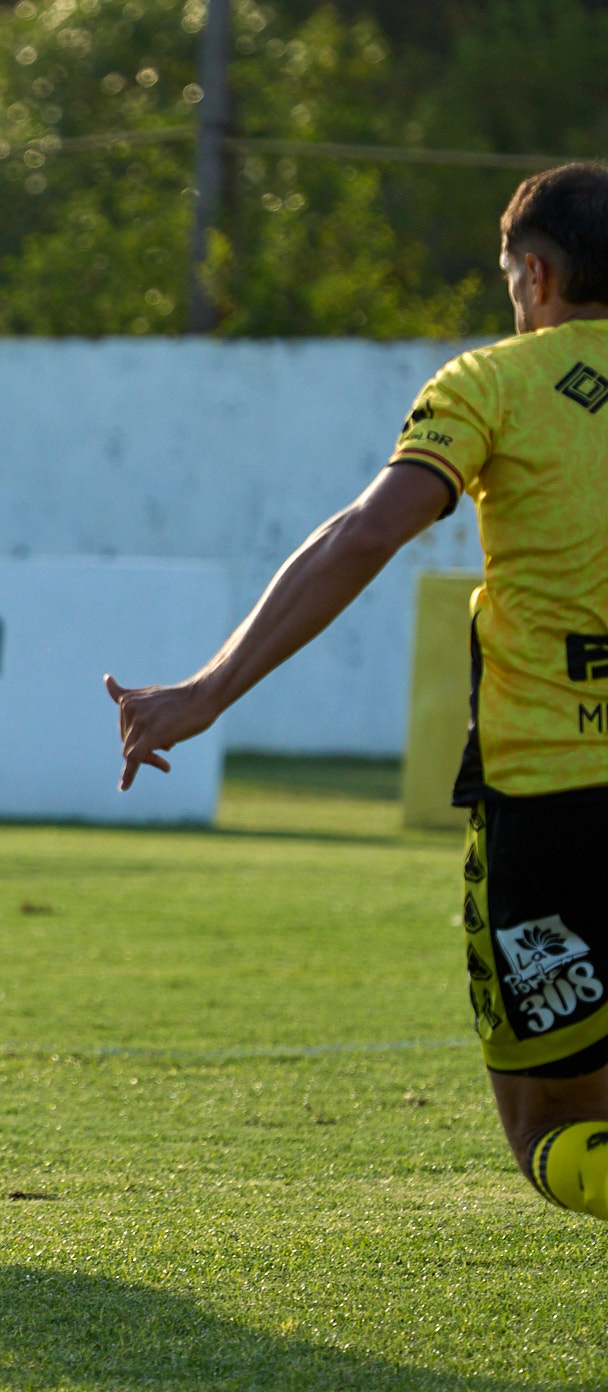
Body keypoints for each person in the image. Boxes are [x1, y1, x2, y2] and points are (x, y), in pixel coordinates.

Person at [108, 162, 608, 1224]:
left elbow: (364, 532)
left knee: (550, 1127)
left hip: (552, 805)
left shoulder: (491, 383)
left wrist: (206, 690)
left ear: (534, 270)